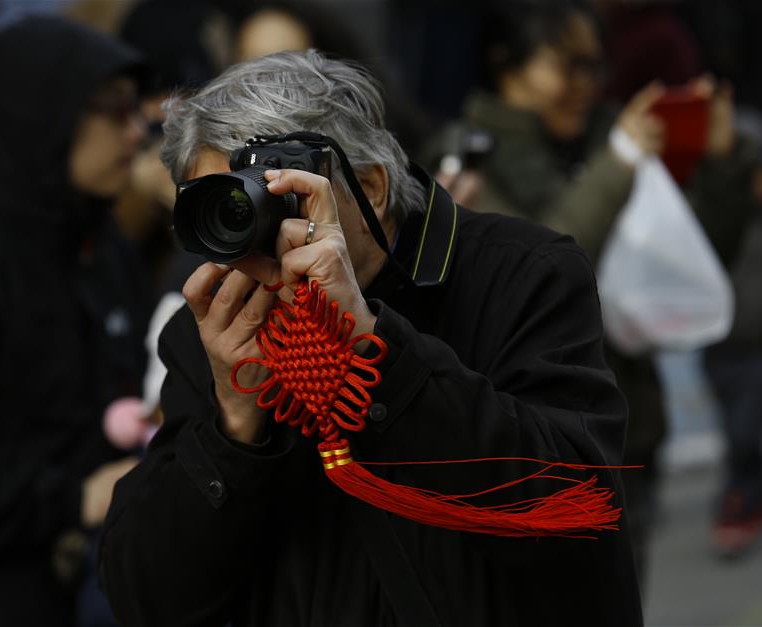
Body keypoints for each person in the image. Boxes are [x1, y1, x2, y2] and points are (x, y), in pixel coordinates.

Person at [99, 50, 642, 626]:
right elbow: (147, 597)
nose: (247, 233)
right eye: (223, 207)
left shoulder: (520, 272)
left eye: (268, 198)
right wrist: (232, 428)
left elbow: (571, 512)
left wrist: (372, 349)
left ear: (372, 189)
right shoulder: (217, 325)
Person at [427, 0, 758, 586]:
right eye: (566, 67)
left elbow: (695, 260)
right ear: (507, 63)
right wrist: (621, 162)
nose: (585, 85)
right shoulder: (464, 153)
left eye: (594, 66)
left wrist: (722, 162)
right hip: (524, 437)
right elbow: (541, 264)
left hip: (631, 425)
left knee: (625, 593)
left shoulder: (609, 131)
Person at [0, 17, 153, 625]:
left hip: (106, 579)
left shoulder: (104, 247)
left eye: (137, 108)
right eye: (112, 110)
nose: (136, 132)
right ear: (44, 116)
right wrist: (73, 499)